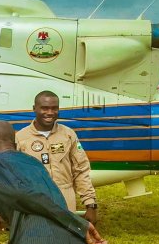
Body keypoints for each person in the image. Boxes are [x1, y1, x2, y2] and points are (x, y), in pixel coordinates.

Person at [15, 90, 98, 224]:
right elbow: (12, 176)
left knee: (65, 241)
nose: (50, 113)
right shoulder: (20, 138)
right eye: (45, 108)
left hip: (65, 200)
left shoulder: (68, 135)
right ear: (34, 109)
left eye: (54, 108)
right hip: (34, 201)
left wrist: (90, 204)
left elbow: (81, 170)